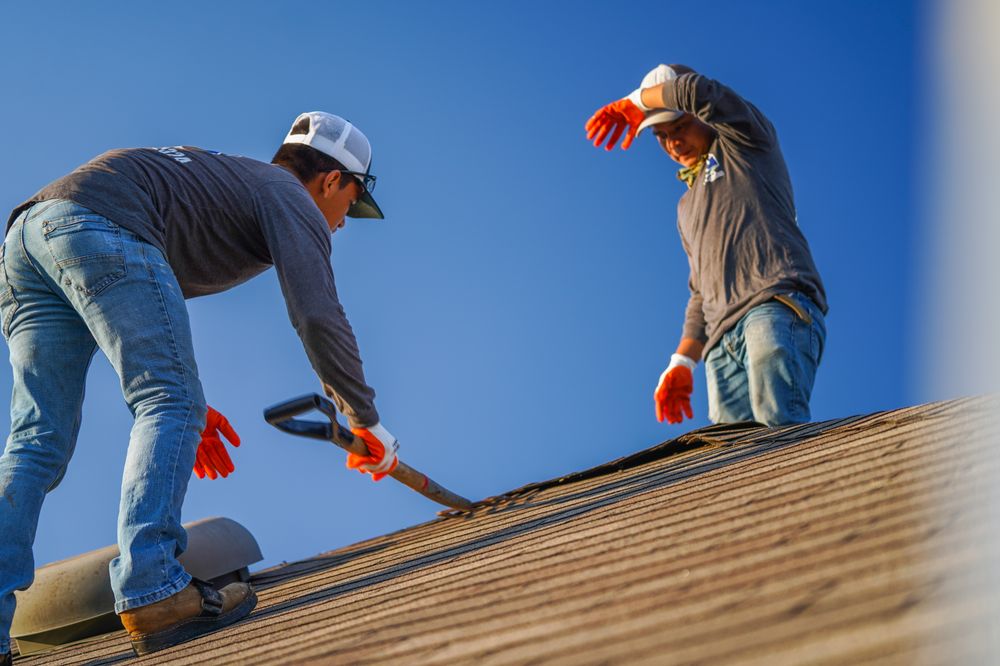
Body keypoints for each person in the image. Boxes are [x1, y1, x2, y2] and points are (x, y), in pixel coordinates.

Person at [0, 111, 400, 659]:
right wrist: (363, 417)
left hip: (27, 237)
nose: (344, 222)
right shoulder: (287, 193)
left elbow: (131, 309)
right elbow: (317, 314)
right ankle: (153, 587)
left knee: (36, 442)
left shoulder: (230, 180)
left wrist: (187, 403)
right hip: (98, 223)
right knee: (168, 401)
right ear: (331, 180)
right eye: (351, 204)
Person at [585, 65, 828, 427]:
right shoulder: (686, 207)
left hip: (771, 307)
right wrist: (682, 362)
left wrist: (636, 101)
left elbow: (699, 92)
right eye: (662, 136)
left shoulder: (745, 142)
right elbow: (700, 290)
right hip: (720, 347)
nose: (673, 143)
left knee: (781, 435)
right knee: (735, 466)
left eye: (679, 127)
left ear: (702, 118)